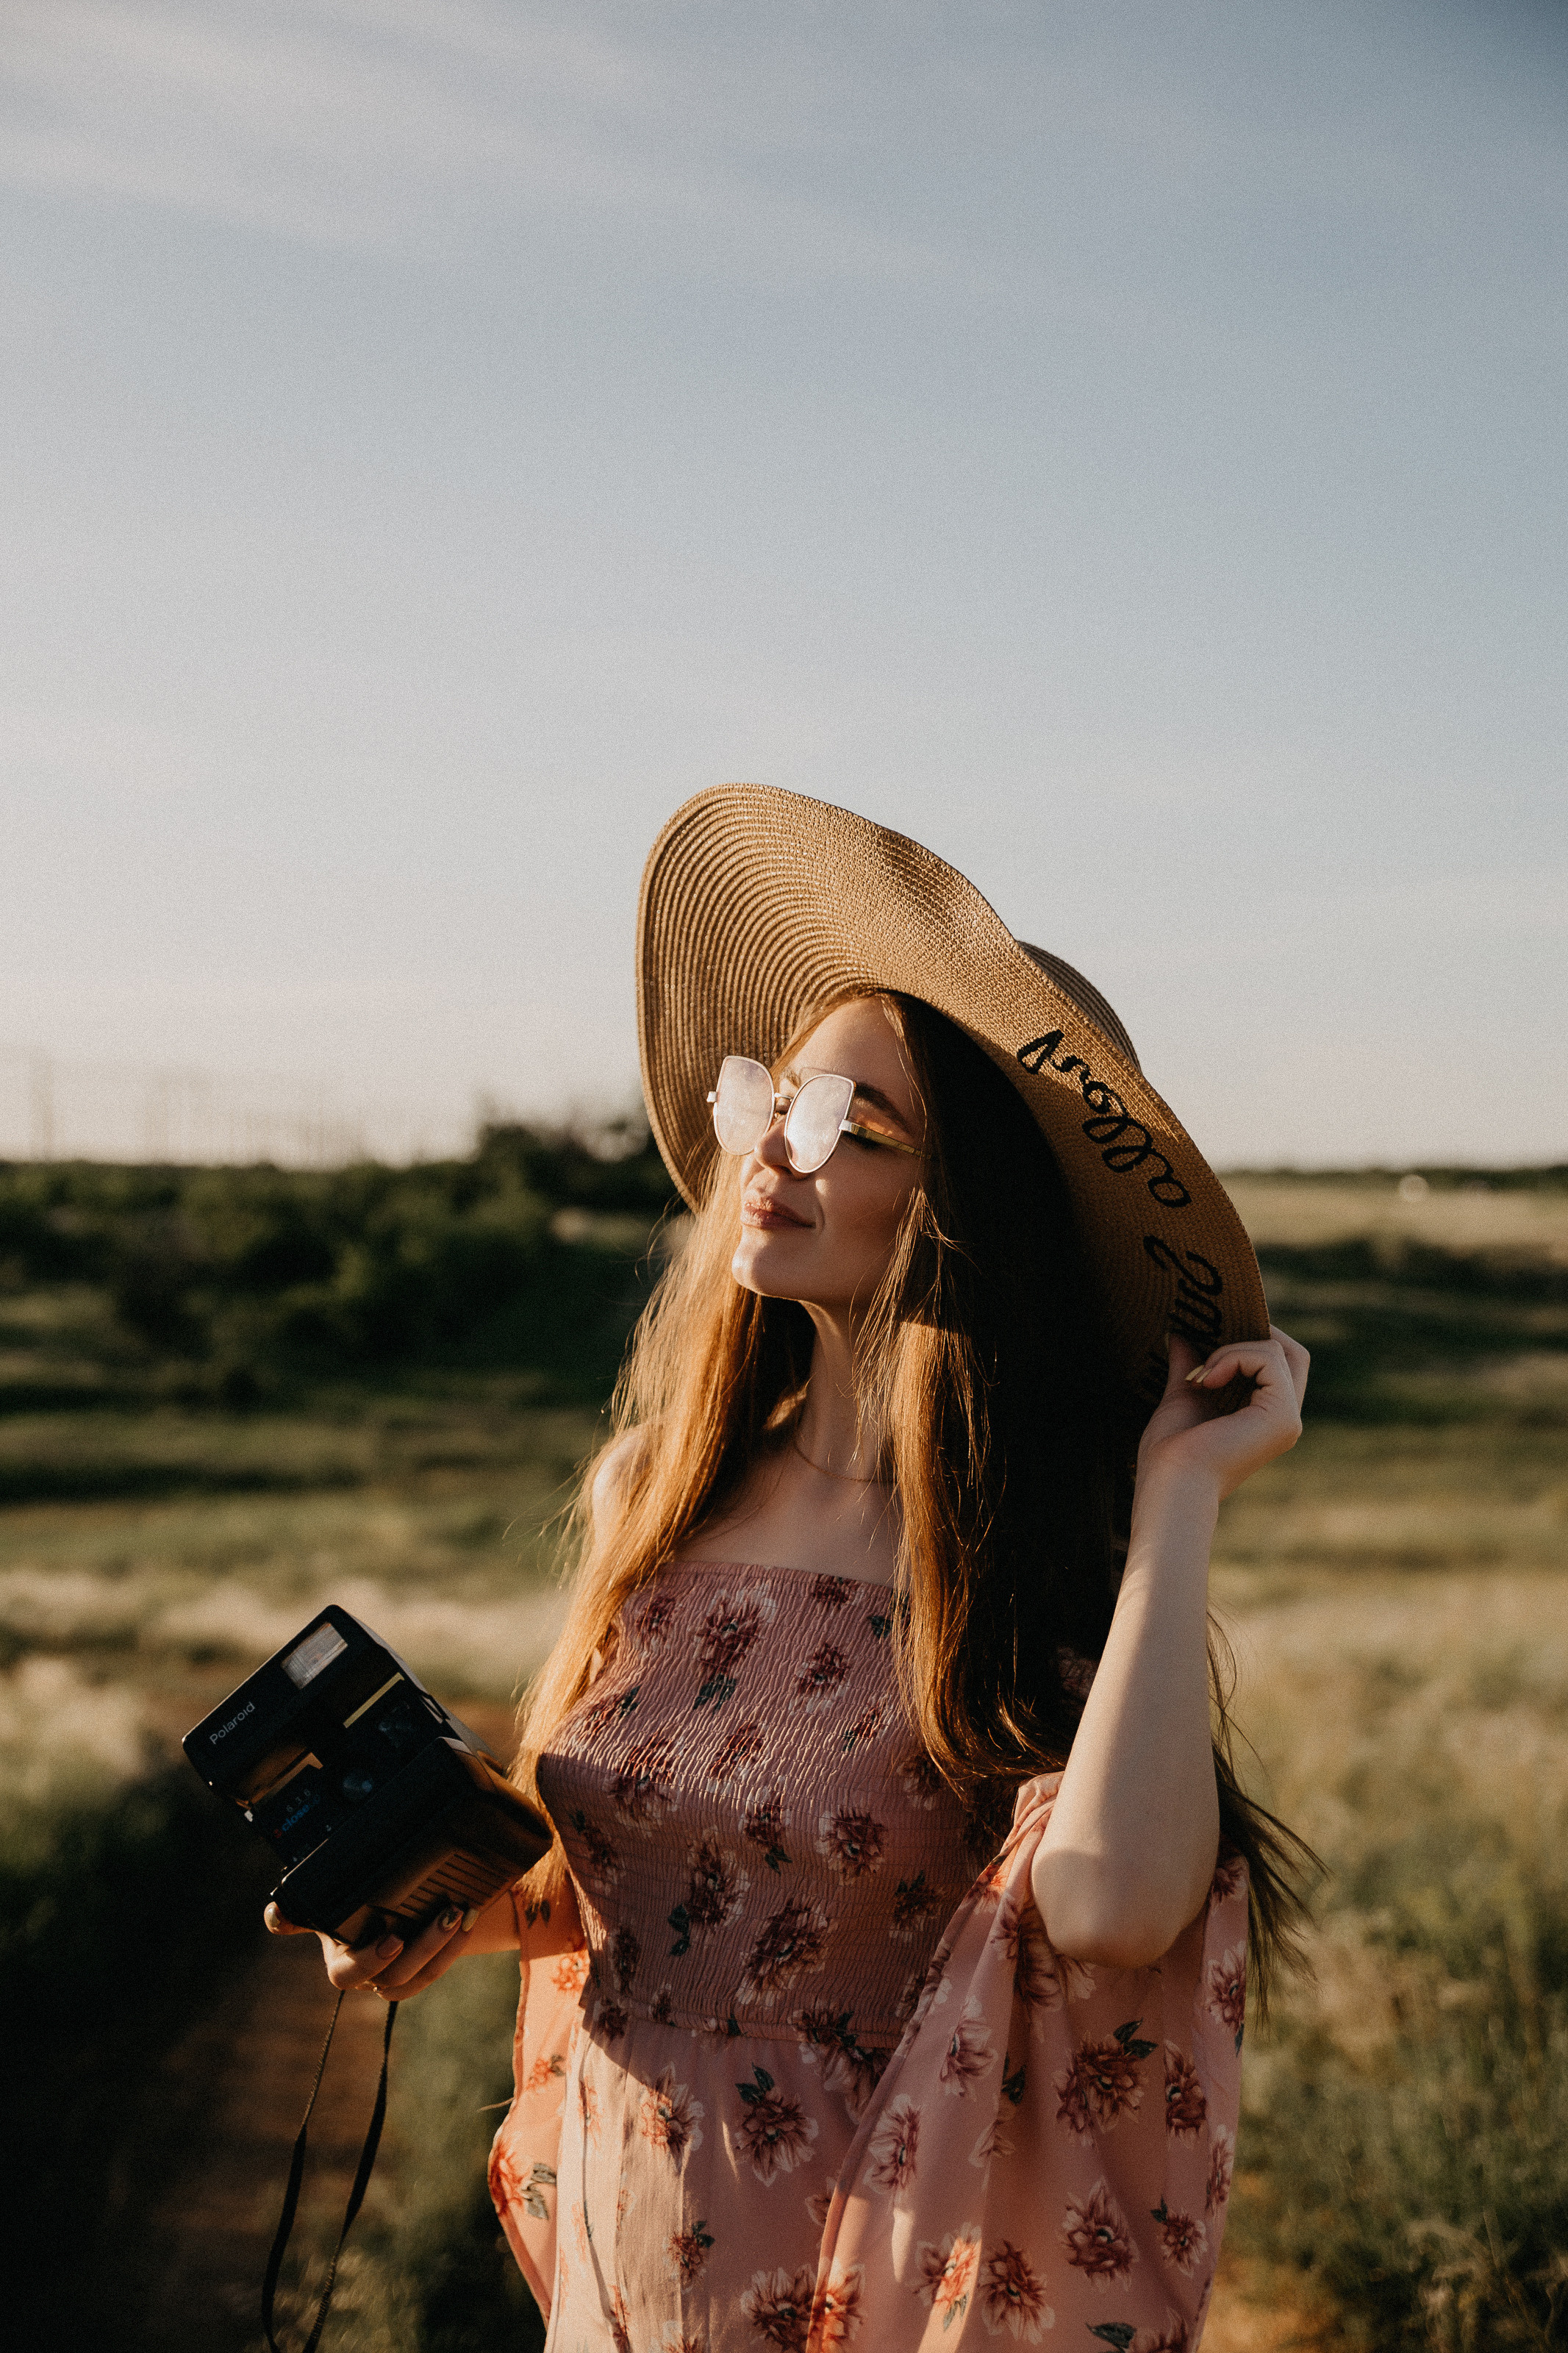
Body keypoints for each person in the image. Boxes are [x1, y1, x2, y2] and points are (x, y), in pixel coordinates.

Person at [271, 784, 1311, 2349]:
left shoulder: (1033, 1553)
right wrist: (461, 1919)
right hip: (627, 2252)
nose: (776, 1144)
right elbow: (638, 1897)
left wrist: (1175, 1505)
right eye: (773, 1095)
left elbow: (1108, 1909)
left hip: (867, 2275)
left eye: (847, 1125)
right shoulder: (658, 1493)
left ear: (958, 1208)